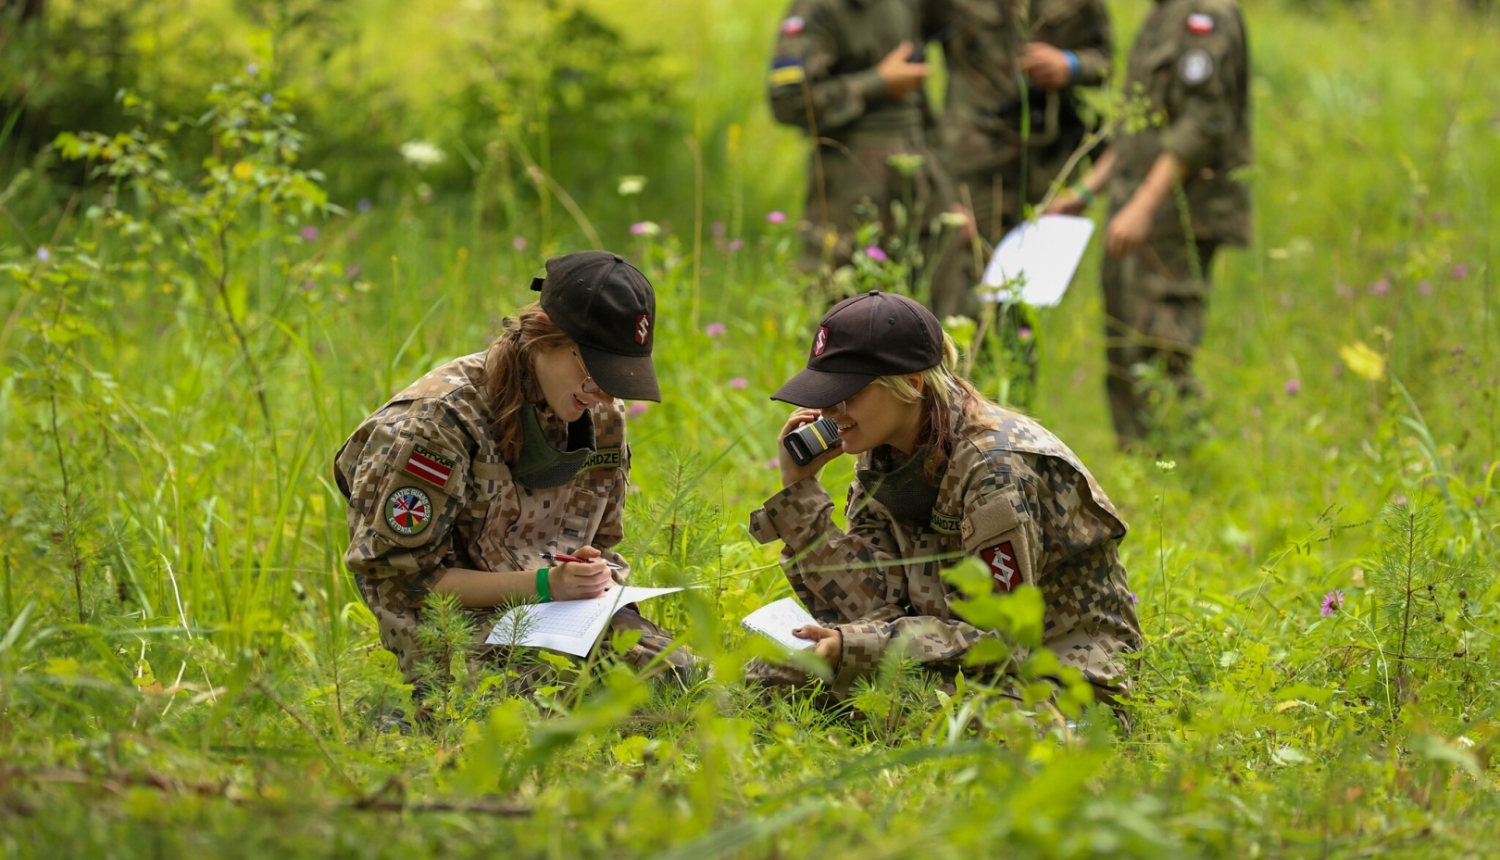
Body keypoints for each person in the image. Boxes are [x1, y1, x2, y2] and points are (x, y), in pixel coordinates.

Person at [747, 290, 1141, 706]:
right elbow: (869, 605)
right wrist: (800, 493)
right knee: (776, 671)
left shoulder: (994, 466)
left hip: (1057, 677)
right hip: (960, 659)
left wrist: (855, 646)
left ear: (911, 384)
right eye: (825, 394)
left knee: (901, 705)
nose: (831, 412)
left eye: (847, 394)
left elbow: (1001, 642)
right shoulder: (883, 452)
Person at [334, 251, 691, 704]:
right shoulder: (437, 422)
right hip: (452, 621)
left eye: (616, 378)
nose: (602, 393)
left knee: (679, 682)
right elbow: (406, 582)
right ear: (545, 335)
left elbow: (602, 541)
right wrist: (543, 585)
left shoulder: (601, 414)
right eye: (593, 372)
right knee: (548, 702)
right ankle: (402, 709)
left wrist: (588, 571)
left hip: (562, 615)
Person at [1047, 0, 1250, 448]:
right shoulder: (1163, 13)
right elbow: (1138, 125)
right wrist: (1086, 192)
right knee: (1124, 344)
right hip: (1137, 209)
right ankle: (1141, 459)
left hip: (1178, 215)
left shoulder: (1205, 15)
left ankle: (1187, 462)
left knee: (1162, 347)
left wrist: (1143, 204)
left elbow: (1204, 122)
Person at [931, 0, 1114, 405]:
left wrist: (1071, 65)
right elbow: (907, 57)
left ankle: (1014, 418)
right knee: (959, 299)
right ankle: (948, 416)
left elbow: (1106, 62)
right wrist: (937, 177)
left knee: (1023, 308)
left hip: (1043, 173)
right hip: (969, 168)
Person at [766, 0, 969, 314]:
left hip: (920, 166)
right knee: (840, 305)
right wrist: (878, 83)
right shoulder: (817, 9)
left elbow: (919, 103)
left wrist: (949, 186)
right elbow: (788, 101)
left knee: (941, 305)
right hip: (850, 177)